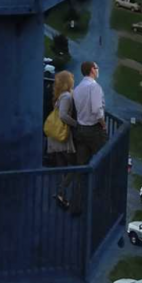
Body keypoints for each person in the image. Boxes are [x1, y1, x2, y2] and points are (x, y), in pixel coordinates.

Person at [70, 60, 108, 215]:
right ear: (92, 70)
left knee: (81, 169)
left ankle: (76, 207)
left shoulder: (78, 88)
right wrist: (104, 124)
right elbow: (97, 110)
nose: (98, 70)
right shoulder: (94, 87)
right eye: (97, 68)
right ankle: (101, 205)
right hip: (94, 131)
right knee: (106, 162)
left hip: (80, 130)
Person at [46, 70, 78, 210]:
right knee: (75, 164)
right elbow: (64, 116)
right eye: (71, 79)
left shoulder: (61, 95)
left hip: (56, 135)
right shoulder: (66, 97)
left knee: (63, 166)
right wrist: (76, 124)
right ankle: (61, 192)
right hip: (62, 136)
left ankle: (61, 194)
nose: (73, 80)